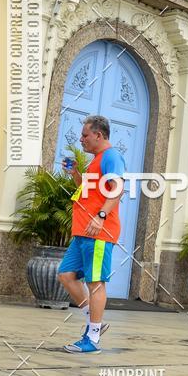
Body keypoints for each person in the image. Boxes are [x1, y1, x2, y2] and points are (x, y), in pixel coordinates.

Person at [58, 115, 125, 353]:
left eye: (85, 135)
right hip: (83, 231)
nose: (81, 139)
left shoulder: (111, 156)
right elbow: (86, 190)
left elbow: (117, 189)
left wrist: (102, 216)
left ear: (99, 135)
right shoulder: (95, 161)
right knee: (66, 275)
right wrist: (76, 173)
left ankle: (92, 339)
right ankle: (94, 321)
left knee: (95, 283)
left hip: (99, 230)